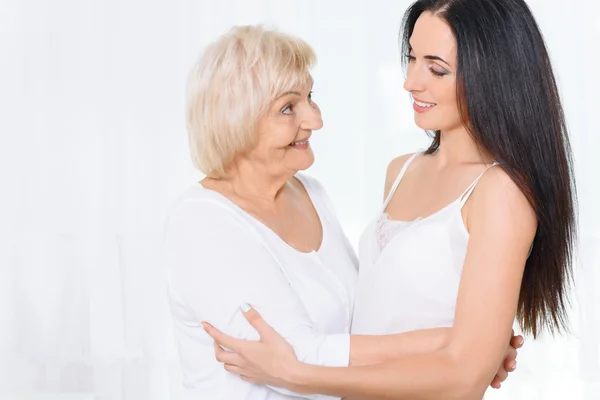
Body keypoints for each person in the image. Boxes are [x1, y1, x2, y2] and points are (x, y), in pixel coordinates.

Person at [202, 0, 577, 399]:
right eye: (411, 58)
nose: (411, 82)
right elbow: (377, 316)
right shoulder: (401, 171)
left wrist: (297, 374)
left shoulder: (499, 192)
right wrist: (459, 344)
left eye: (436, 68)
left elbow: (463, 378)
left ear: (493, 76)